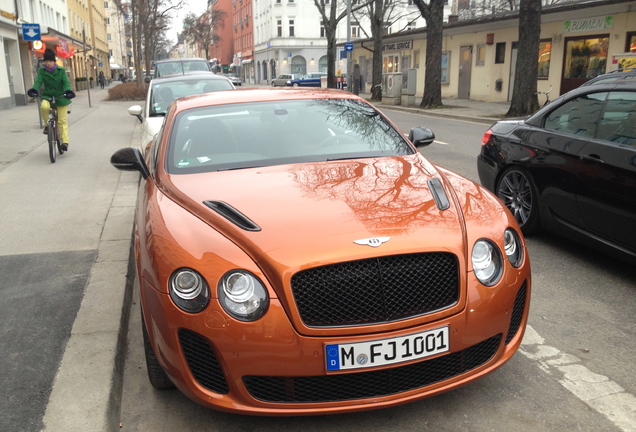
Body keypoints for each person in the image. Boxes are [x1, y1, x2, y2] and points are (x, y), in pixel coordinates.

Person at [27, 48, 75, 152]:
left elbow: (66, 82)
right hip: (48, 96)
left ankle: (65, 142)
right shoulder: (42, 71)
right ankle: (47, 125)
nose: (48, 63)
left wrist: (68, 91)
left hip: (61, 97)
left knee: (62, 120)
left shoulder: (61, 71)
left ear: (54, 61)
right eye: (46, 61)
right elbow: (38, 81)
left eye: (50, 61)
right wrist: (34, 89)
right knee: (44, 107)